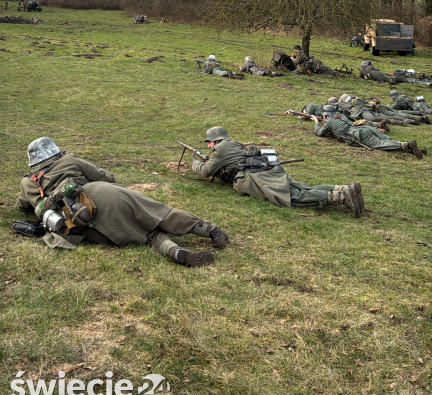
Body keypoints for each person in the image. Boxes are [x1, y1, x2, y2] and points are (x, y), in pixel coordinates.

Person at [16, 137, 229, 267]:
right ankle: (209, 229)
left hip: (76, 223)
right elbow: (108, 177)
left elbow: (23, 206)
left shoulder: (27, 183)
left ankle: (173, 250)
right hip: (102, 193)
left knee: (148, 236)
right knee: (160, 214)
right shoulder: (69, 160)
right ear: (54, 150)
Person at [189, 127, 365, 217]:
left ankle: (343, 196)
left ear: (215, 140)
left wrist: (195, 163)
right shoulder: (234, 144)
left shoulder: (220, 150)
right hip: (268, 171)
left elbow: (206, 171)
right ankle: (344, 188)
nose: (208, 146)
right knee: (303, 188)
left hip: (257, 178)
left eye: (209, 142)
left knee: (293, 197)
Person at [311, 105, 427, 158]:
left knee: (379, 144)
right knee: (386, 139)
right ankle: (409, 148)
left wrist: (316, 122)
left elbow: (320, 132)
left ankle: (405, 145)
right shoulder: (340, 115)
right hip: (364, 127)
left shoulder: (329, 120)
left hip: (357, 134)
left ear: (325, 115)